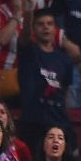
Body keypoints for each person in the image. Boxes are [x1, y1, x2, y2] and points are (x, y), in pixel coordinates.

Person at [16, 9, 77, 153]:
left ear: (55, 29)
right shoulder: (28, 51)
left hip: (59, 122)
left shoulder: (64, 59)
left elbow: (65, 91)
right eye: (40, 24)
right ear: (33, 29)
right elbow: (24, 34)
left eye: (49, 24)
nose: (45, 27)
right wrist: (29, 10)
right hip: (32, 123)